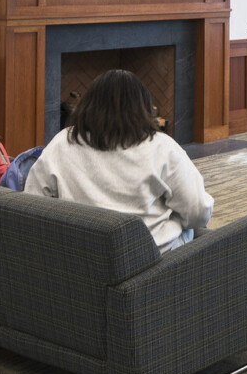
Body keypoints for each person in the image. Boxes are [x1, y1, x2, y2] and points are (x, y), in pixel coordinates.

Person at [25, 69, 211, 253]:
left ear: (88, 104)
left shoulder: (63, 141)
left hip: (79, 257)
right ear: (143, 108)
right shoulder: (162, 147)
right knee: (186, 225)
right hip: (147, 261)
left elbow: (32, 200)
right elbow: (198, 212)